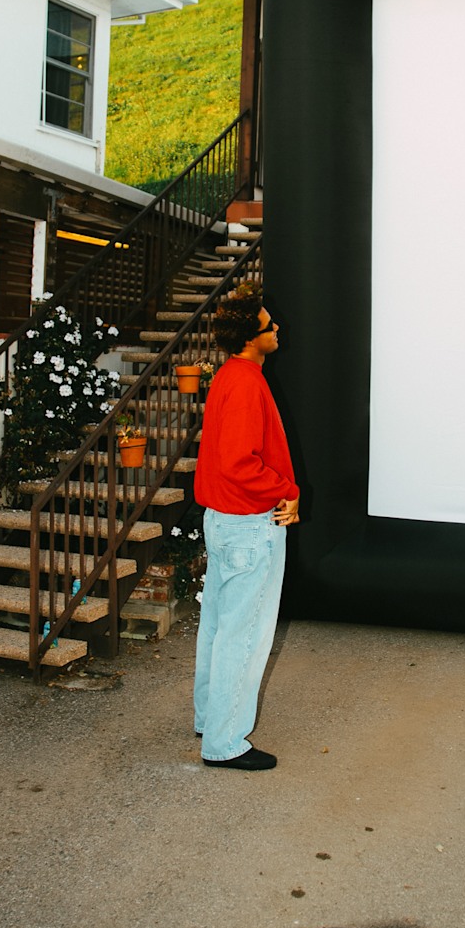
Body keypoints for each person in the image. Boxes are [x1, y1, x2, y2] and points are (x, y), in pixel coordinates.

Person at [193, 284, 299, 770]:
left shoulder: (228, 378)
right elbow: (239, 463)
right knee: (243, 634)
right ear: (250, 338)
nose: (277, 328)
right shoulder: (245, 383)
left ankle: (210, 718)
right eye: (269, 324)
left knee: (217, 627)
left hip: (225, 522)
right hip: (248, 526)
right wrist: (287, 492)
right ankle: (224, 742)